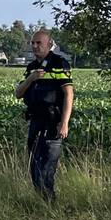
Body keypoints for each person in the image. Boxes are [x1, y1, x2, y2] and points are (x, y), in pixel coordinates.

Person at [14, 30, 74, 201]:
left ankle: (49, 204)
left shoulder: (59, 63)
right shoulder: (31, 67)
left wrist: (64, 123)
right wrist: (31, 79)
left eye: (39, 43)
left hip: (53, 122)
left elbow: (69, 94)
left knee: (46, 169)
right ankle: (42, 203)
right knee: (34, 167)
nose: (34, 46)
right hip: (35, 121)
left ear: (49, 44)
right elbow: (18, 93)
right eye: (32, 43)